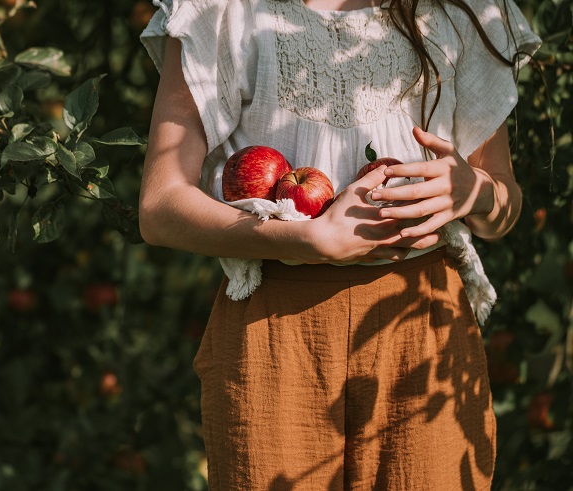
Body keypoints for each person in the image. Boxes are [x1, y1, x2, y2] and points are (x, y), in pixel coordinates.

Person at [139, 0, 540, 489]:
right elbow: (160, 207)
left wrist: (473, 191)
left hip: (423, 323)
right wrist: (307, 238)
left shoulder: (460, 10)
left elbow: (503, 207)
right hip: (276, 326)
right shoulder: (223, 10)